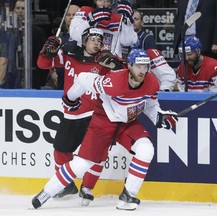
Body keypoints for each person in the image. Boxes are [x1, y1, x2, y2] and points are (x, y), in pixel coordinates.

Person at [31, 48, 178, 211]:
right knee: (82, 164)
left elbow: (150, 105)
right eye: (138, 66)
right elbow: (82, 78)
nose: (142, 71)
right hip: (103, 122)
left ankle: (127, 196)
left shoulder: (152, 82)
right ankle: (46, 192)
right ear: (129, 65)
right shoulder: (113, 82)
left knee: (146, 149)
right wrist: (71, 98)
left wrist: (159, 116)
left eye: (145, 66)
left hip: (127, 124)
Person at [37, 26, 122, 206]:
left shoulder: (104, 60)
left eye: (100, 41)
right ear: (84, 41)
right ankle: (66, 185)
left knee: (98, 153)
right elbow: (42, 64)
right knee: (60, 150)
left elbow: (123, 74)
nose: (97, 43)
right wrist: (47, 50)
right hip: (72, 113)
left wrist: (116, 63)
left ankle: (87, 188)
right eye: (93, 40)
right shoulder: (70, 54)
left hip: (96, 114)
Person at [69, 0, 137, 58]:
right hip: (86, 62)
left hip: (110, 65)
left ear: (111, 2)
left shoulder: (118, 18)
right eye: (101, 0)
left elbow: (127, 42)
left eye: (107, 1)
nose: (104, 4)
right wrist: (89, 21)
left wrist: (128, 24)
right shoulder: (85, 11)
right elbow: (74, 35)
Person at [49, 4, 80, 90]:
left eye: (74, 15)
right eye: (68, 15)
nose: (71, 17)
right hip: (61, 85)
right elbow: (50, 58)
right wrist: (52, 72)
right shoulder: (59, 38)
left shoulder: (86, 38)